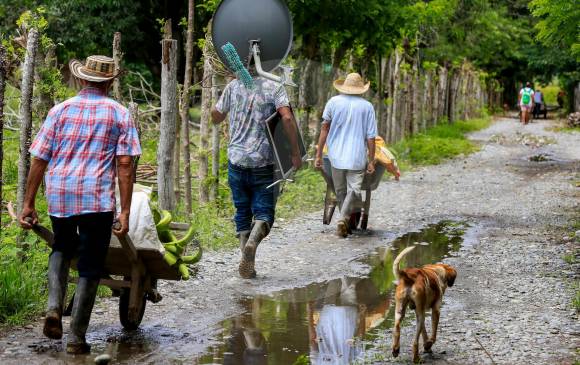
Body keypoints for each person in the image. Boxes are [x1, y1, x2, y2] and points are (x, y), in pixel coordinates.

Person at [19, 55, 141, 354]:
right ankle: (76, 338)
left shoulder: (60, 111)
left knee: (61, 245)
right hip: (96, 198)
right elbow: (125, 165)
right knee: (90, 263)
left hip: (61, 192)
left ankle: (52, 308)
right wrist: (124, 211)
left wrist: (28, 203)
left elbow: (39, 158)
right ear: (110, 82)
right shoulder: (120, 114)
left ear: (83, 79)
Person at [211, 75, 302, 279]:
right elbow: (287, 118)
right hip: (263, 162)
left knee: (241, 210)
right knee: (264, 212)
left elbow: (216, 116)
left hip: (236, 161)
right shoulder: (274, 86)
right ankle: (253, 243)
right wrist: (295, 152)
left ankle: (246, 260)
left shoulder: (233, 86)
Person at [315, 73, 377, 238]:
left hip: (335, 156)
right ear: (361, 89)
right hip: (357, 156)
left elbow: (324, 129)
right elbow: (371, 138)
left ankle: (344, 220)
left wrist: (319, 154)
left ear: (344, 87)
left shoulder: (333, 102)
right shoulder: (367, 106)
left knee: (340, 190)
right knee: (354, 190)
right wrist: (371, 161)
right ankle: (344, 220)